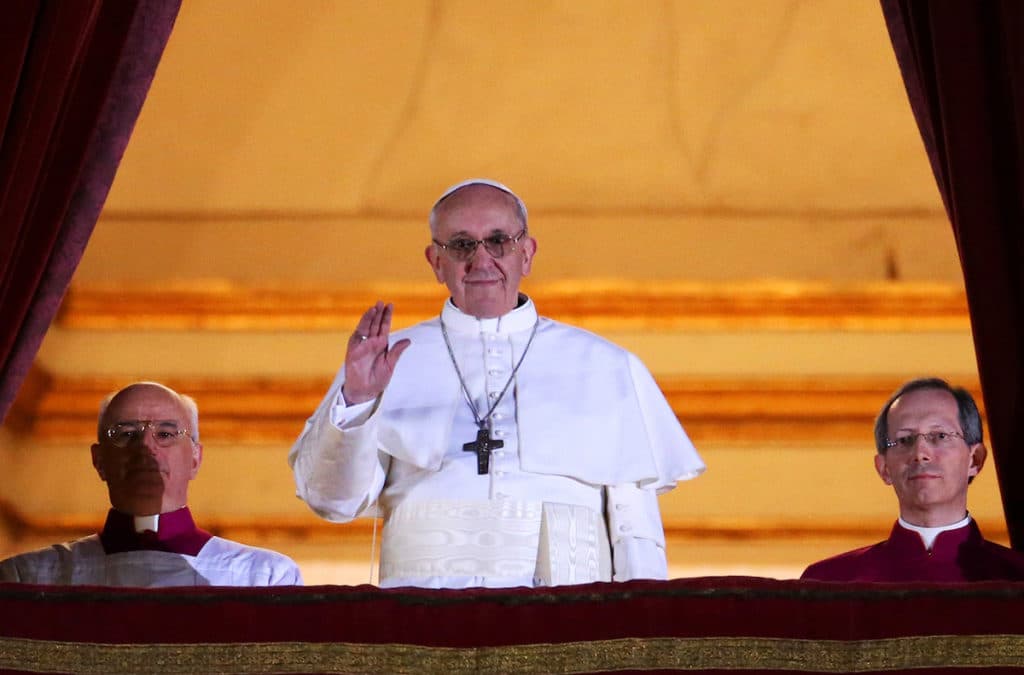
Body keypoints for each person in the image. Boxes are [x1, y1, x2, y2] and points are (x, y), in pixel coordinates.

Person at [290, 178, 705, 589]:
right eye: (462, 245)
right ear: (436, 262)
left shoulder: (606, 366)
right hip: (425, 620)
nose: (482, 259)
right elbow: (334, 503)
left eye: (498, 240)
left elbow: (636, 533)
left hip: (569, 624)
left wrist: (641, 634)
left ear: (527, 254)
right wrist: (358, 400)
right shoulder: (383, 361)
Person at [0, 382, 302, 586]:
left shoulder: (262, 579)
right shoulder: (28, 579)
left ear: (195, 458)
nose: (145, 446)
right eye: (125, 433)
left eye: (166, 434)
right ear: (99, 460)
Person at [801, 377, 1024, 582]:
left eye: (940, 436)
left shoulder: (1016, 580)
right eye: (905, 439)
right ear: (884, 468)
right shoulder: (830, 583)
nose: (920, 452)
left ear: (975, 460)